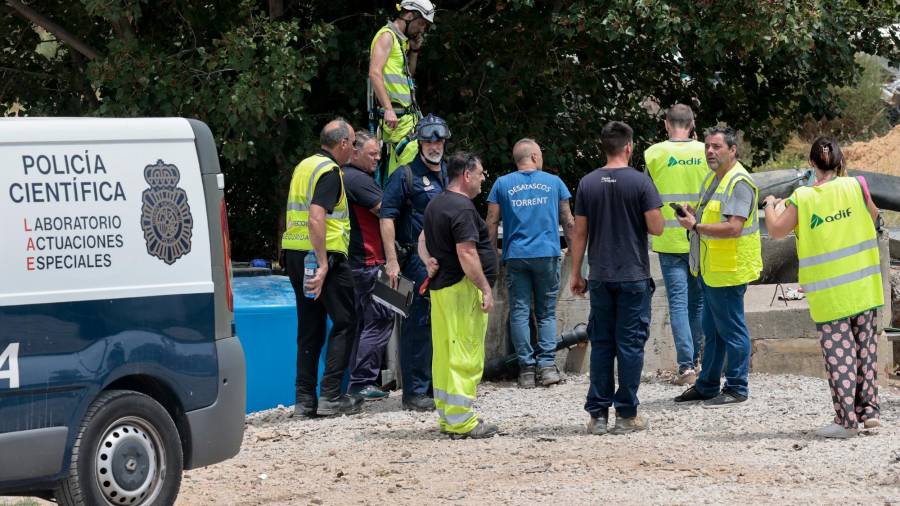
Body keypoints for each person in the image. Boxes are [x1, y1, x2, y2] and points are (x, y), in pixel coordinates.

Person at [763, 137, 883, 438]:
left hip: (830, 293)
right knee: (865, 351)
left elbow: (777, 230)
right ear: (841, 161)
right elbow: (875, 217)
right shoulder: (857, 186)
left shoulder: (803, 197)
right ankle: (869, 412)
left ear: (811, 163)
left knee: (839, 355)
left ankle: (846, 421)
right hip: (864, 287)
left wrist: (770, 206)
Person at [569, 121, 664, 435]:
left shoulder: (587, 183)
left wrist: (576, 274)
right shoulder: (640, 183)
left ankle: (597, 415)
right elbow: (657, 227)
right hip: (633, 276)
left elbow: (579, 233)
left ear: (604, 147)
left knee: (602, 345)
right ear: (629, 147)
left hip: (599, 276)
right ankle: (626, 414)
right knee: (630, 346)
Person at [673, 126, 762, 408]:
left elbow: (734, 227)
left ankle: (737, 386)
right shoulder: (714, 179)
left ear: (733, 150)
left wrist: (696, 225)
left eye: (717, 147)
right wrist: (692, 214)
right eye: (708, 146)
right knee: (713, 331)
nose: (710, 151)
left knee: (732, 330)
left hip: (729, 270)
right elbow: (710, 215)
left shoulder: (739, 182)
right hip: (712, 270)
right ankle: (708, 385)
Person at [282, 118, 363, 418]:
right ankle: (331, 396)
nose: (353, 149)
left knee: (309, 326)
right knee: (345, 321)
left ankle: (304, 400)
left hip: (294, 251)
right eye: (353, 144)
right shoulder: (329, 172)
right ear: (342, 143)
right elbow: (317, 216)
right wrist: (323, 263)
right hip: (320, 254)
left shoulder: (304, 165)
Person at [418, 151, 499, 439]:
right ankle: (462, 421)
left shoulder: (436, 203)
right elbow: (466, 252)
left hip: (442, 291)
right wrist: (485, 288)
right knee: (464, 353)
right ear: (466, 175)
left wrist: (426, 259)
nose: (482, 179)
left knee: (445, 353)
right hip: (461, 291)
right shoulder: (462, 208)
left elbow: (422, 239)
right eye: (479, 173)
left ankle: (449, 417)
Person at [485, 138, 574, 388]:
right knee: (546, 313)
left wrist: (492, 254)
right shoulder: (554, 183)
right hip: (547, 254)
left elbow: (491, 222)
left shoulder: (502, 184)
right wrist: (576, 254)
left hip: (515, 255)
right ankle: (546, 367)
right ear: (535, 157)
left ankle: (526, 370)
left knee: (520, 312)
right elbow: (568, 221)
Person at [379, 114, 450, 411]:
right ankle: (415, 392)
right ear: (420, 143)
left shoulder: (448, 173)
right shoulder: (405, 175)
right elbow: (386, 217)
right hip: (414, 261)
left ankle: (436, 386)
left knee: (442, 325)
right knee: (417, 326)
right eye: (428, 140)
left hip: (443, 259)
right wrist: (392, 261)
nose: (434, 145)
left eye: (439, 140)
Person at [644, 104, 708, 385]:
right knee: (699, 304)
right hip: (701, 236)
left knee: (679, 305)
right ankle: (701, 361)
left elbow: (644, 197)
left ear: (666, 124)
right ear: (693, 124)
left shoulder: (654, 153)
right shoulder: (707, 151)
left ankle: (685, 368)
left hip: (668, 239)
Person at [343, 130, 394, 400]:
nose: (376, 158)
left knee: (363, 323)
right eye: (371, 153)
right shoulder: (358, 180)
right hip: (370, 261)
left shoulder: (344, 176)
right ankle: (362, 381)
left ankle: (358, 381)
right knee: (380, 319)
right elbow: (387, 211)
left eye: (378, 153)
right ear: (354, 152)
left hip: (356, 262)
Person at [368, 0, 435, 175]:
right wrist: (388, 109)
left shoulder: (400, 42)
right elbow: (374, 73)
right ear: (409, 15)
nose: (422, 29)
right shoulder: (386, 36)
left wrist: (414, 52)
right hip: (396, 119)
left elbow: (408, 76)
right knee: (417, 171)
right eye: (421, 23)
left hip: (407, 121)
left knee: (399, 175)